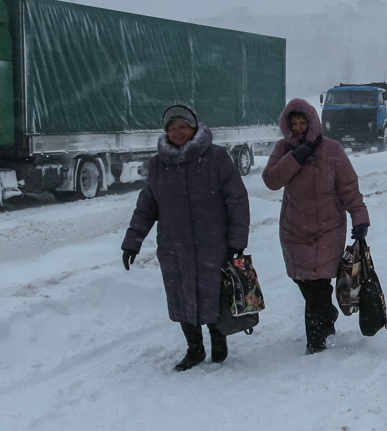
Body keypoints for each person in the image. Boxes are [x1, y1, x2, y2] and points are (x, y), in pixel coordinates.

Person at [122, 104, 250, 372]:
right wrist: (132, 241)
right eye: (172, 128)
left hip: (212, 243)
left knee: (215, 294)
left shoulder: (216, 157)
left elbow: (236, 199)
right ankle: (194, 348)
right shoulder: (158, 165)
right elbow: (146, 206)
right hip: (174, 246)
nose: (177, 132)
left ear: (194, 129)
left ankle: (218, 339)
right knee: (182, 297)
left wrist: (237, 239)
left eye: (182, 127)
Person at [263, 98, 370, 354]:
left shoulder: (332, 150)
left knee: (319, 284)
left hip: (328, 228)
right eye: (294, 123)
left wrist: (360, 217)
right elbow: (271, 181)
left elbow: (349, 188)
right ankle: (327, 316)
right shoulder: (283, 148)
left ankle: (316, 341)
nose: (299, 128)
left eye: (303, 122)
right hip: (294, 229)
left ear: (312, 122)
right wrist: (294, 158)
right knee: (307, 284)